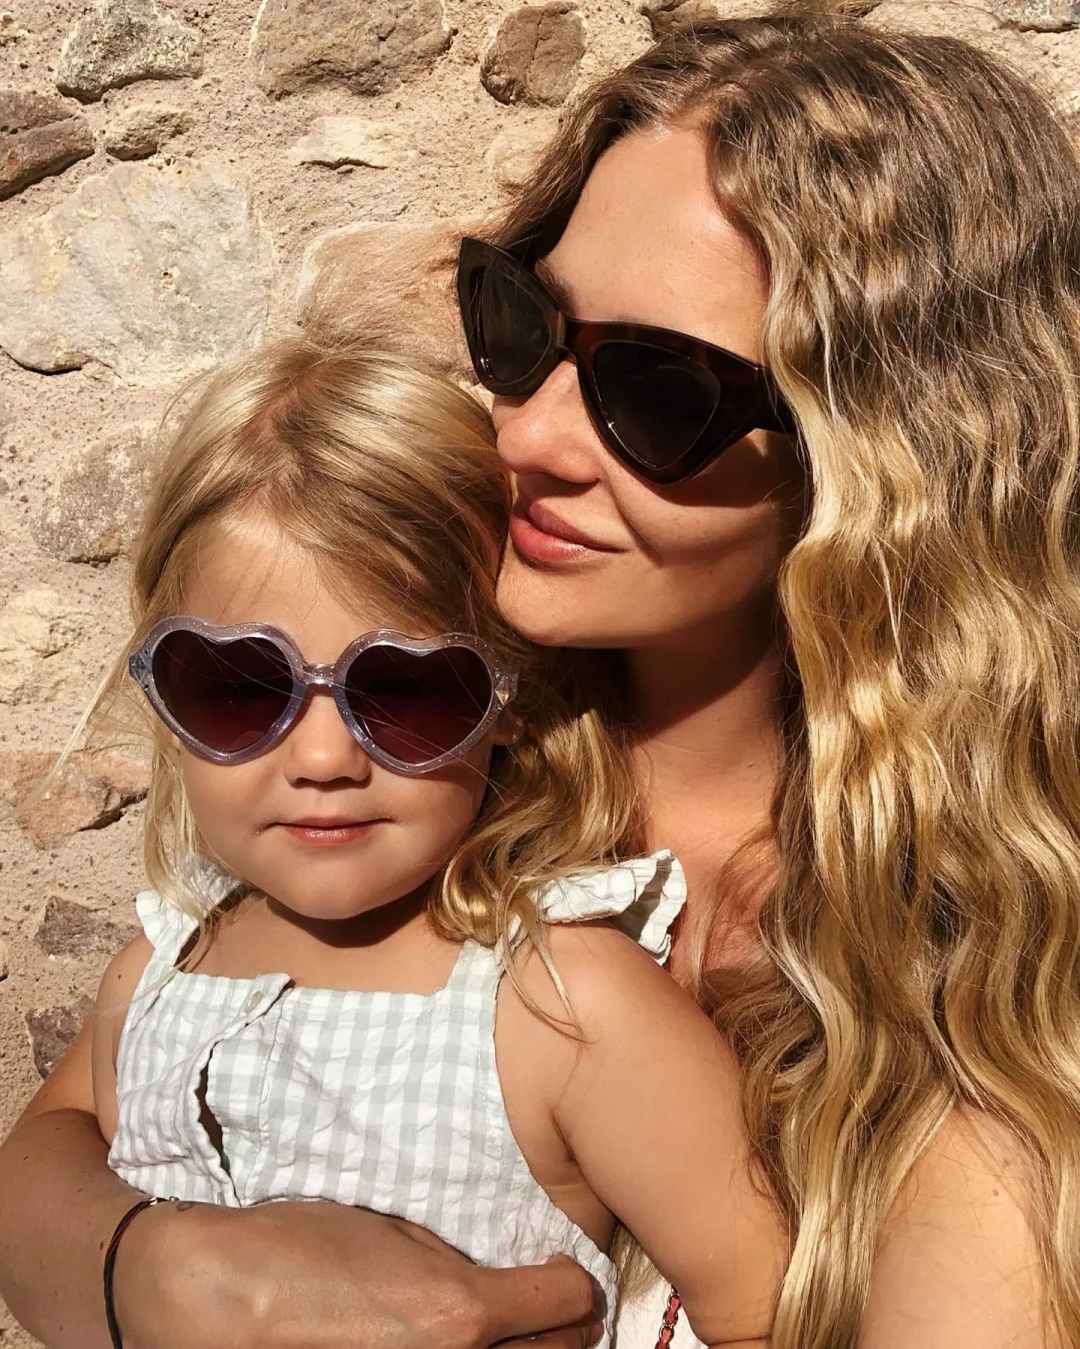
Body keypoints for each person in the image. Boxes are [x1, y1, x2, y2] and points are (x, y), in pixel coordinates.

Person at [2, 11, 1079, 1349]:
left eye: (657, 391)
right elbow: (62, 1136)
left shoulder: (989, 960)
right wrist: (162, 1274)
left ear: (889, 454)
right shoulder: (419, 747)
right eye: (525, 329)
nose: (531, 435)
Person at [58, 339, 785, 1349]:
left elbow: (770, 1309)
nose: (322, 758)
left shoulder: (563, 1004)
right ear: (161, 686)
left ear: (508, 698)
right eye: (239, 686)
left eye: (405, 690)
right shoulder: (154, 974)